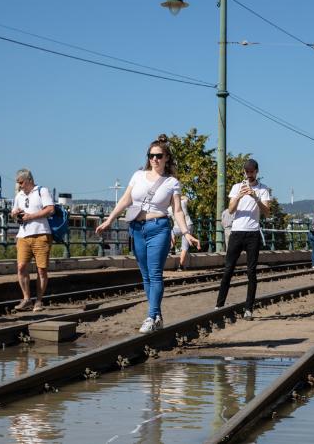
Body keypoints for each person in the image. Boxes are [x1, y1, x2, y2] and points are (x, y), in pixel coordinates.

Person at [96, 134, 200, 333]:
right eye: (151, 155)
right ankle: (157, 315)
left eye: (159, 156)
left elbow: (177, 210)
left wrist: (186, 233)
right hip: (136, 228)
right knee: (145, 276)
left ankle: (151, 317)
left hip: (158, 228)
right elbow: (125, 200)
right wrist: (109, 220)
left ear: (166, 157)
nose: (154, 159)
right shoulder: (138, 176)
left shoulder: (172, 182)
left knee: (155, 274)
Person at [214, 159, 271, 319]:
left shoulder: (263, 189)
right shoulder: (236, 187)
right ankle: (219, 304)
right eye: (247, 172)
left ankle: (248, 309)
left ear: (257, 171)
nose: (249, 174)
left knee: (251, 272)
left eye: (252, 171)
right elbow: (231, 210)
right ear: (243, 172)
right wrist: (238, 196)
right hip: (237, 232)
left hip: (253, 233)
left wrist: (255, 197)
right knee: (228, 269)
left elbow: (267, 212)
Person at [10, 169, 55, 313]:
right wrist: (14, 214)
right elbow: (13, 213)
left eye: (21, 182)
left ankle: (39, 300)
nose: (19, 185)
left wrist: (31, 216)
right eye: (18, 183)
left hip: (41, 234)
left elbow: (50, 209)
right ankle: (26, 298)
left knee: (41, 270)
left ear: (29, 180)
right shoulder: (19, 195)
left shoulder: (42, 191)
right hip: (23, 235)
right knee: (21, 267)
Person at [171, 195, 194, 271]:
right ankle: (180, 266)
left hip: (177, 227)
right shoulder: (183, 203)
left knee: (171, 231)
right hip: (188, 225)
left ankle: (173, 241)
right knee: (184, 247)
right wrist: (178, 197)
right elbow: (186, 197)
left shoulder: (168, 208)